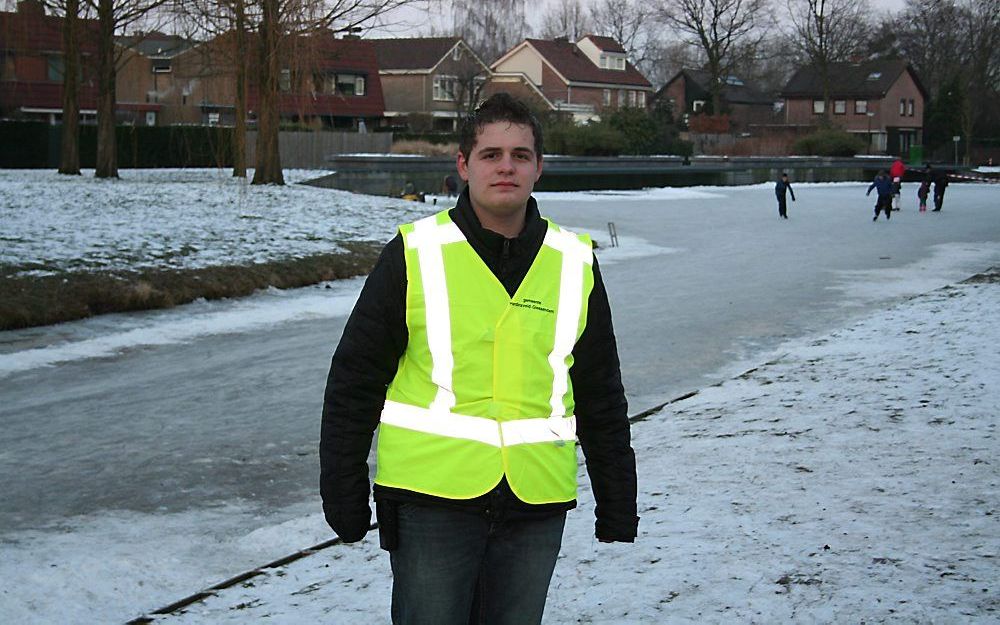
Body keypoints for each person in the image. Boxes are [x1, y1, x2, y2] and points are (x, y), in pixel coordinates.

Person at [319, 93, 638, 625]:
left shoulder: (573, 261)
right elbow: (354, 380)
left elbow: (601, 392)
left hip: (535, 502)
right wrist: (343, 492)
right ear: (464, 165)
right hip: (431, 501)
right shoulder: (416, 252)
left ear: (539, 167)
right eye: (491, 154)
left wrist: (617, 499)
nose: (506, 166)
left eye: (520, 154)